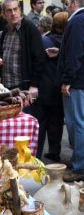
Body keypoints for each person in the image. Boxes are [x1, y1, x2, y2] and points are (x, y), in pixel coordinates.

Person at [30, 12, 68, 160]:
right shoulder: (67, 43)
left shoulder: (44, 41)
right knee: (56, 124)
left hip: (43, 88)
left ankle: (37, 155)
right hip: (60, 89)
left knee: (40, 123)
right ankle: (54, 152)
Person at [0, 0, 45, 100]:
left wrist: (34, 85)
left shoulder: (30, 28)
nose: (13, 13)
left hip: (24, 86)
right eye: (9, 10)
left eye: (15, 9)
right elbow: (1, 52)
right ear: (3, 14)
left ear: (20, 10)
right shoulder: (4, 32)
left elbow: (39, 58)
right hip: (6, 86)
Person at [57, 0, 84, 182]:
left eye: (67, 4)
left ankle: (79, 167)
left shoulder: (76, 22)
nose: (66, 8)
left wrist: (67, 80)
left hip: (77, 82)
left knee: (78, 125)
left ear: (74, 3)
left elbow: (75, 54)